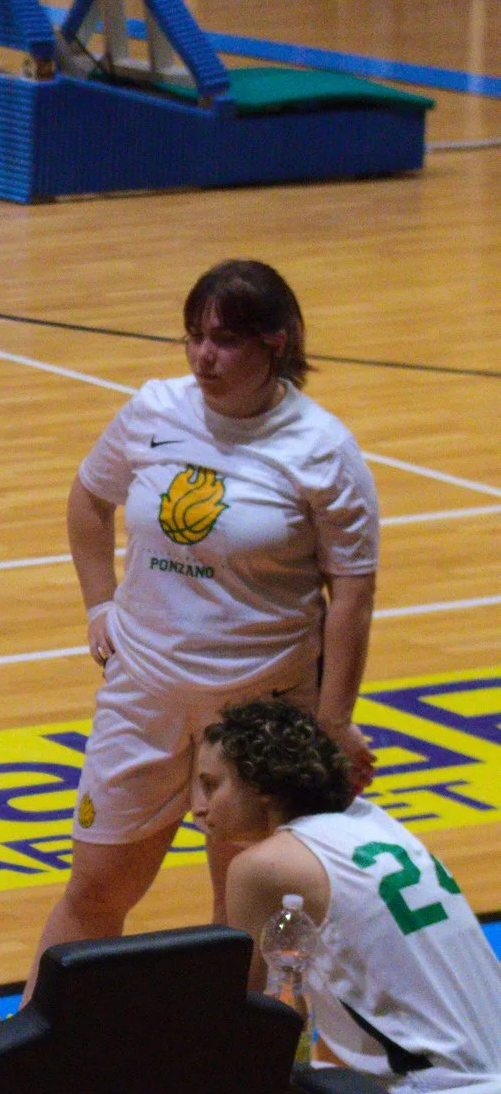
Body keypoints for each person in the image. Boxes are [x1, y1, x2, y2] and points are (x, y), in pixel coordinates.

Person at [42, 260, 379, 952]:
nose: (203, 356)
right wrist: (99, 604)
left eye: (224, 340)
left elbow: (353, 589)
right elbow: (88, 499)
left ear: (277, 342)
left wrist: (334, 721)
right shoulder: (153, 410)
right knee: (95, 888)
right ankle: (42, 1058)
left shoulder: (322, 447)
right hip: (143, 691)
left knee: (248, 901)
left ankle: (242, 1057)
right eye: (193, 336)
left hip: (261, 707)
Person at [205, 698, 501, 1091]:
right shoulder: (372, 823)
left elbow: (240, 1024)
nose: (197, 806)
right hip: (480, 1079)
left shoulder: (262, 867)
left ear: (261, 787)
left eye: (211, 786)